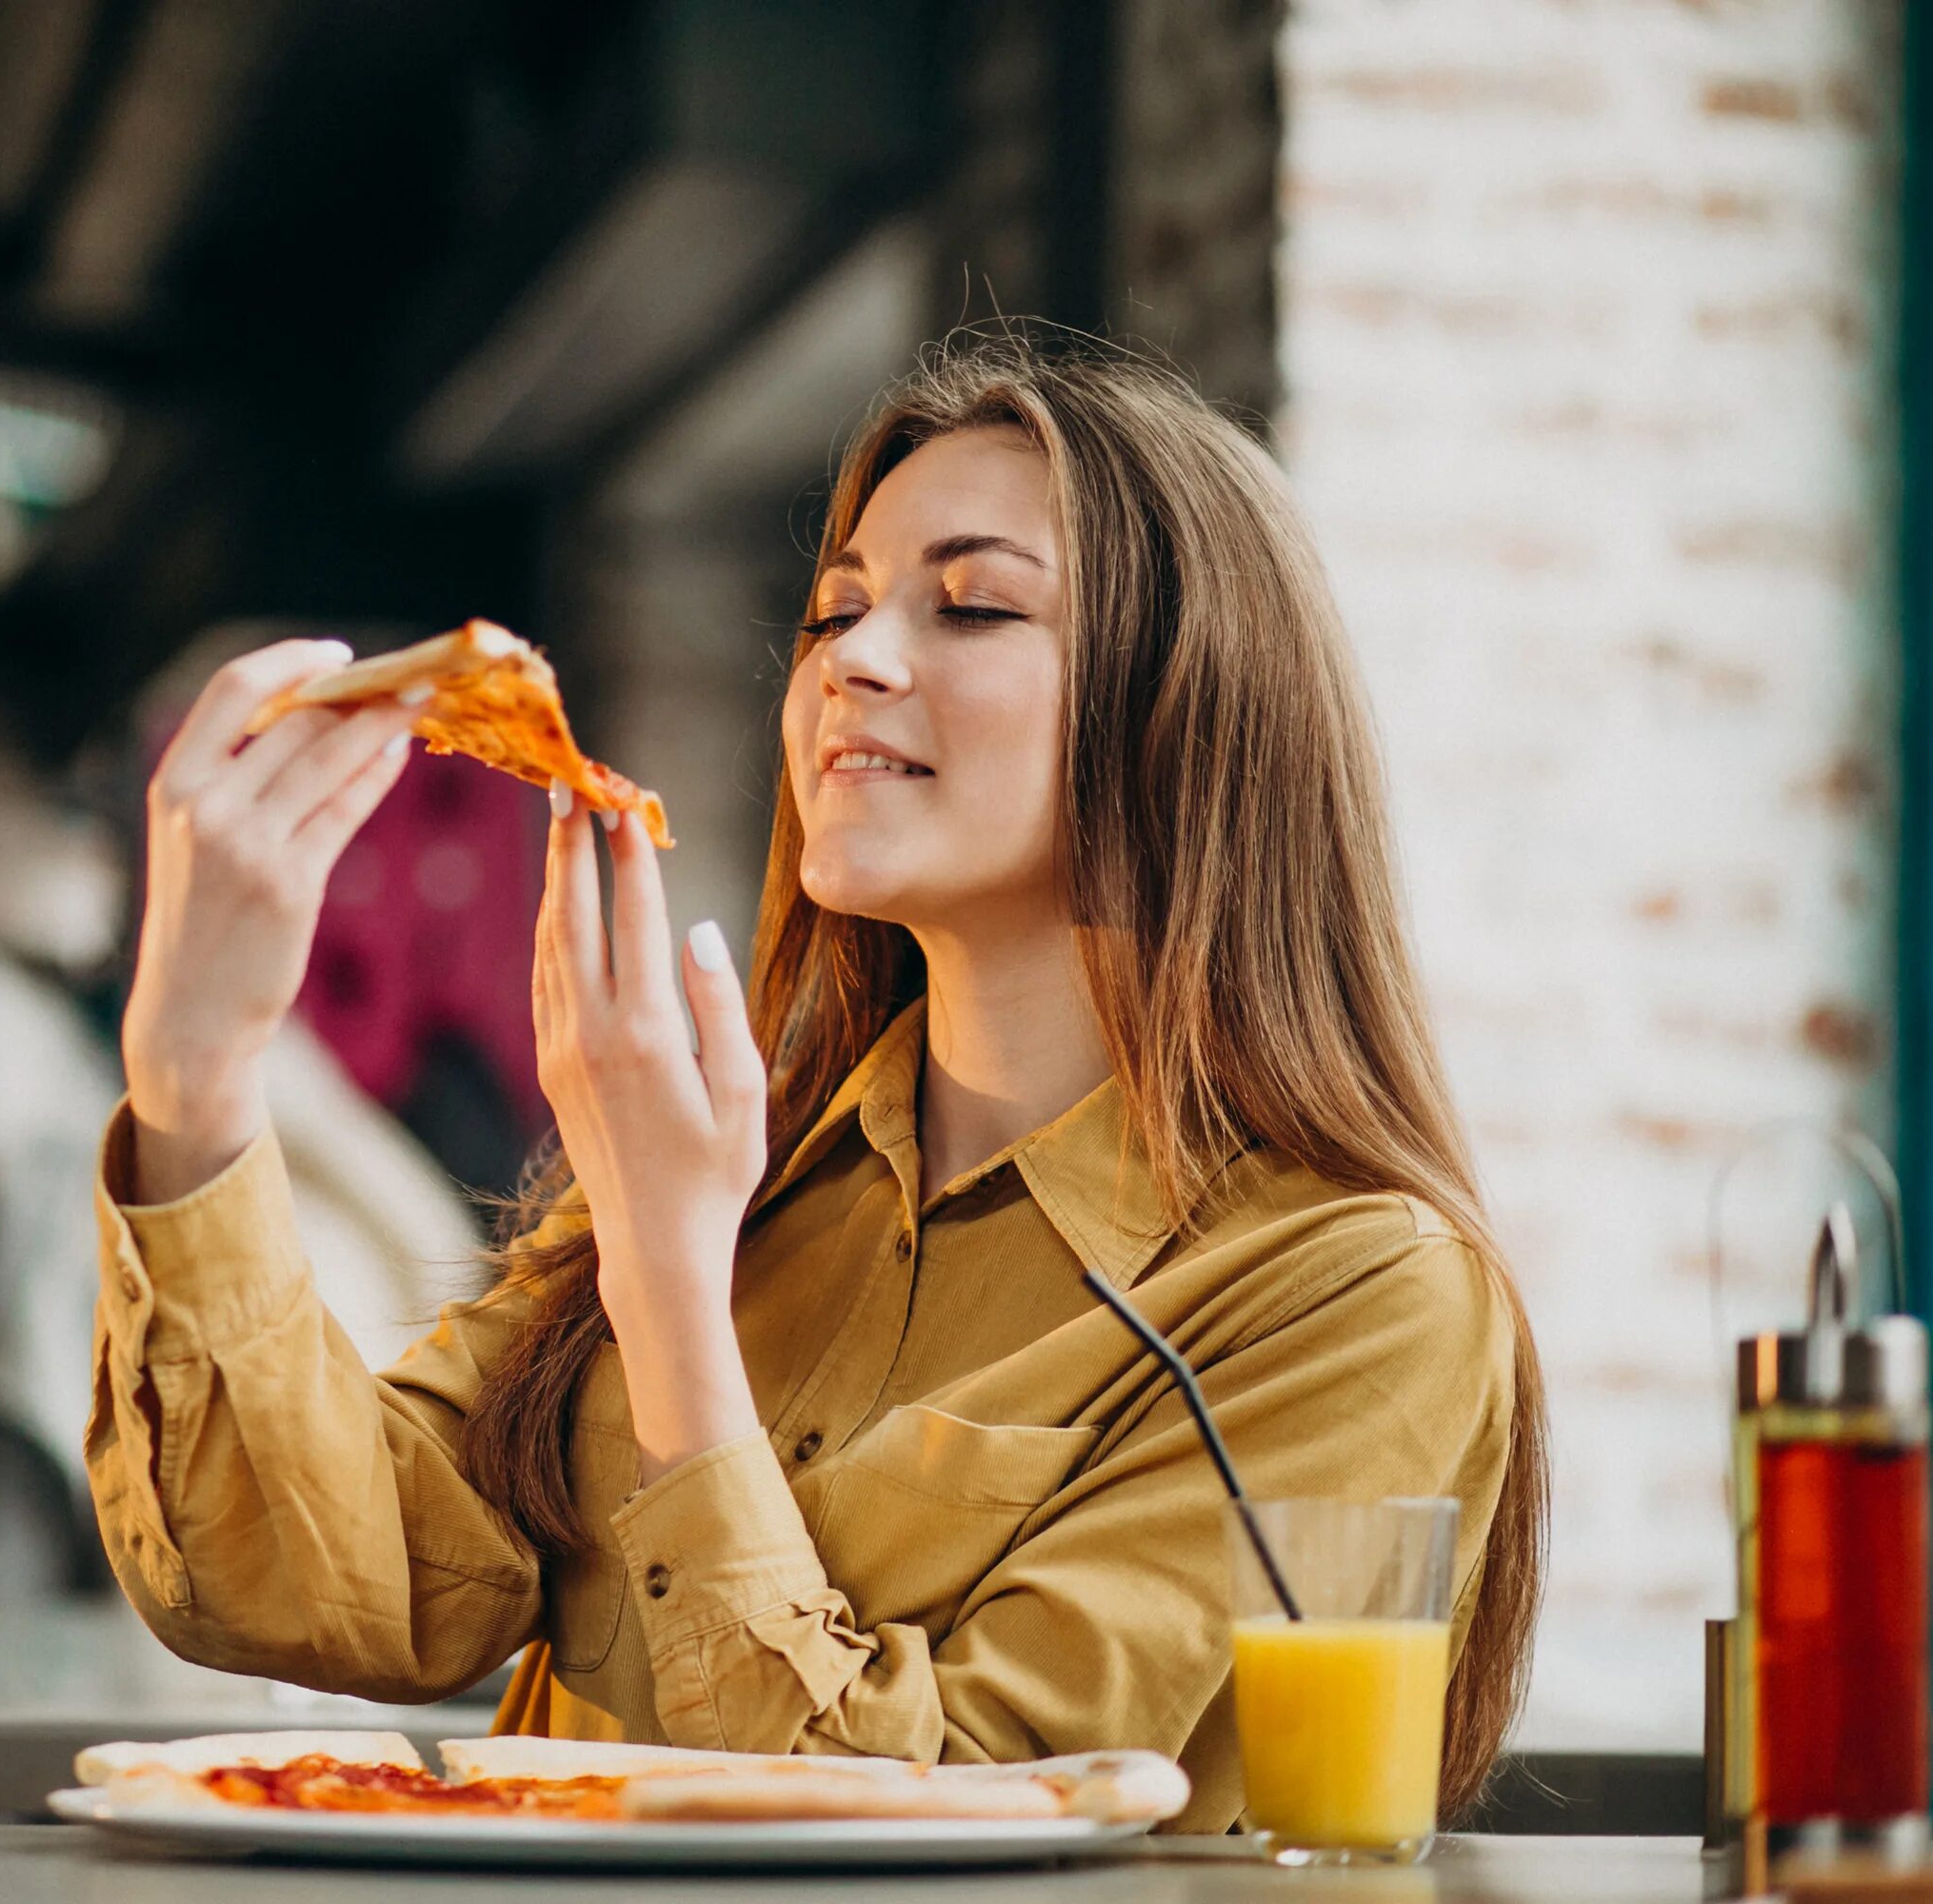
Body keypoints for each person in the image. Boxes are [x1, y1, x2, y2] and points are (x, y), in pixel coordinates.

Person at [86, 331, 1544, 1831]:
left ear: (1189, 710)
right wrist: (196, 1075)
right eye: (835, 607)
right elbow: (305, 1586)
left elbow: (958, 1822)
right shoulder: (752, 1173)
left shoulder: (1362, 1296)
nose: (850, 654)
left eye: (971, 605)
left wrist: (666, 1285)